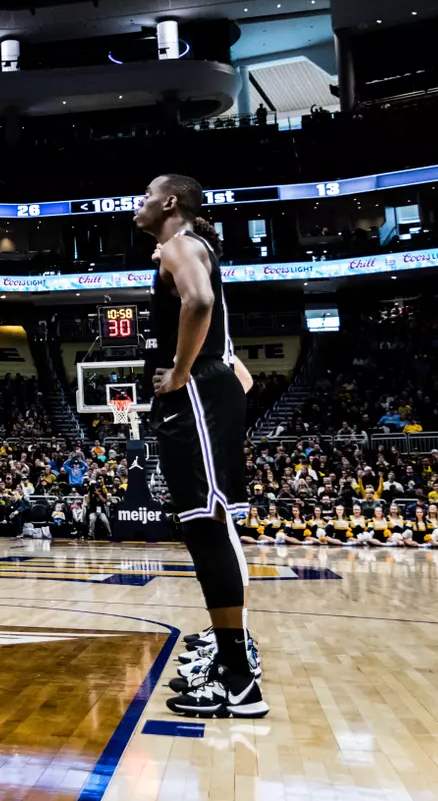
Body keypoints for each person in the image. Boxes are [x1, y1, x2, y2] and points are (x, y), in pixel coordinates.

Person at [133, 174, 265, 719]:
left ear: (169, 203)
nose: (137, 205)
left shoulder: (179, 244)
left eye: (145, 195)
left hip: (196, 397)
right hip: (203, 395)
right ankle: (232, 665)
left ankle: (239, 677)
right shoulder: (188, 246)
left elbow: (201, 300)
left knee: (208, 527)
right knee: (205, 528)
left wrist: (183, 371)